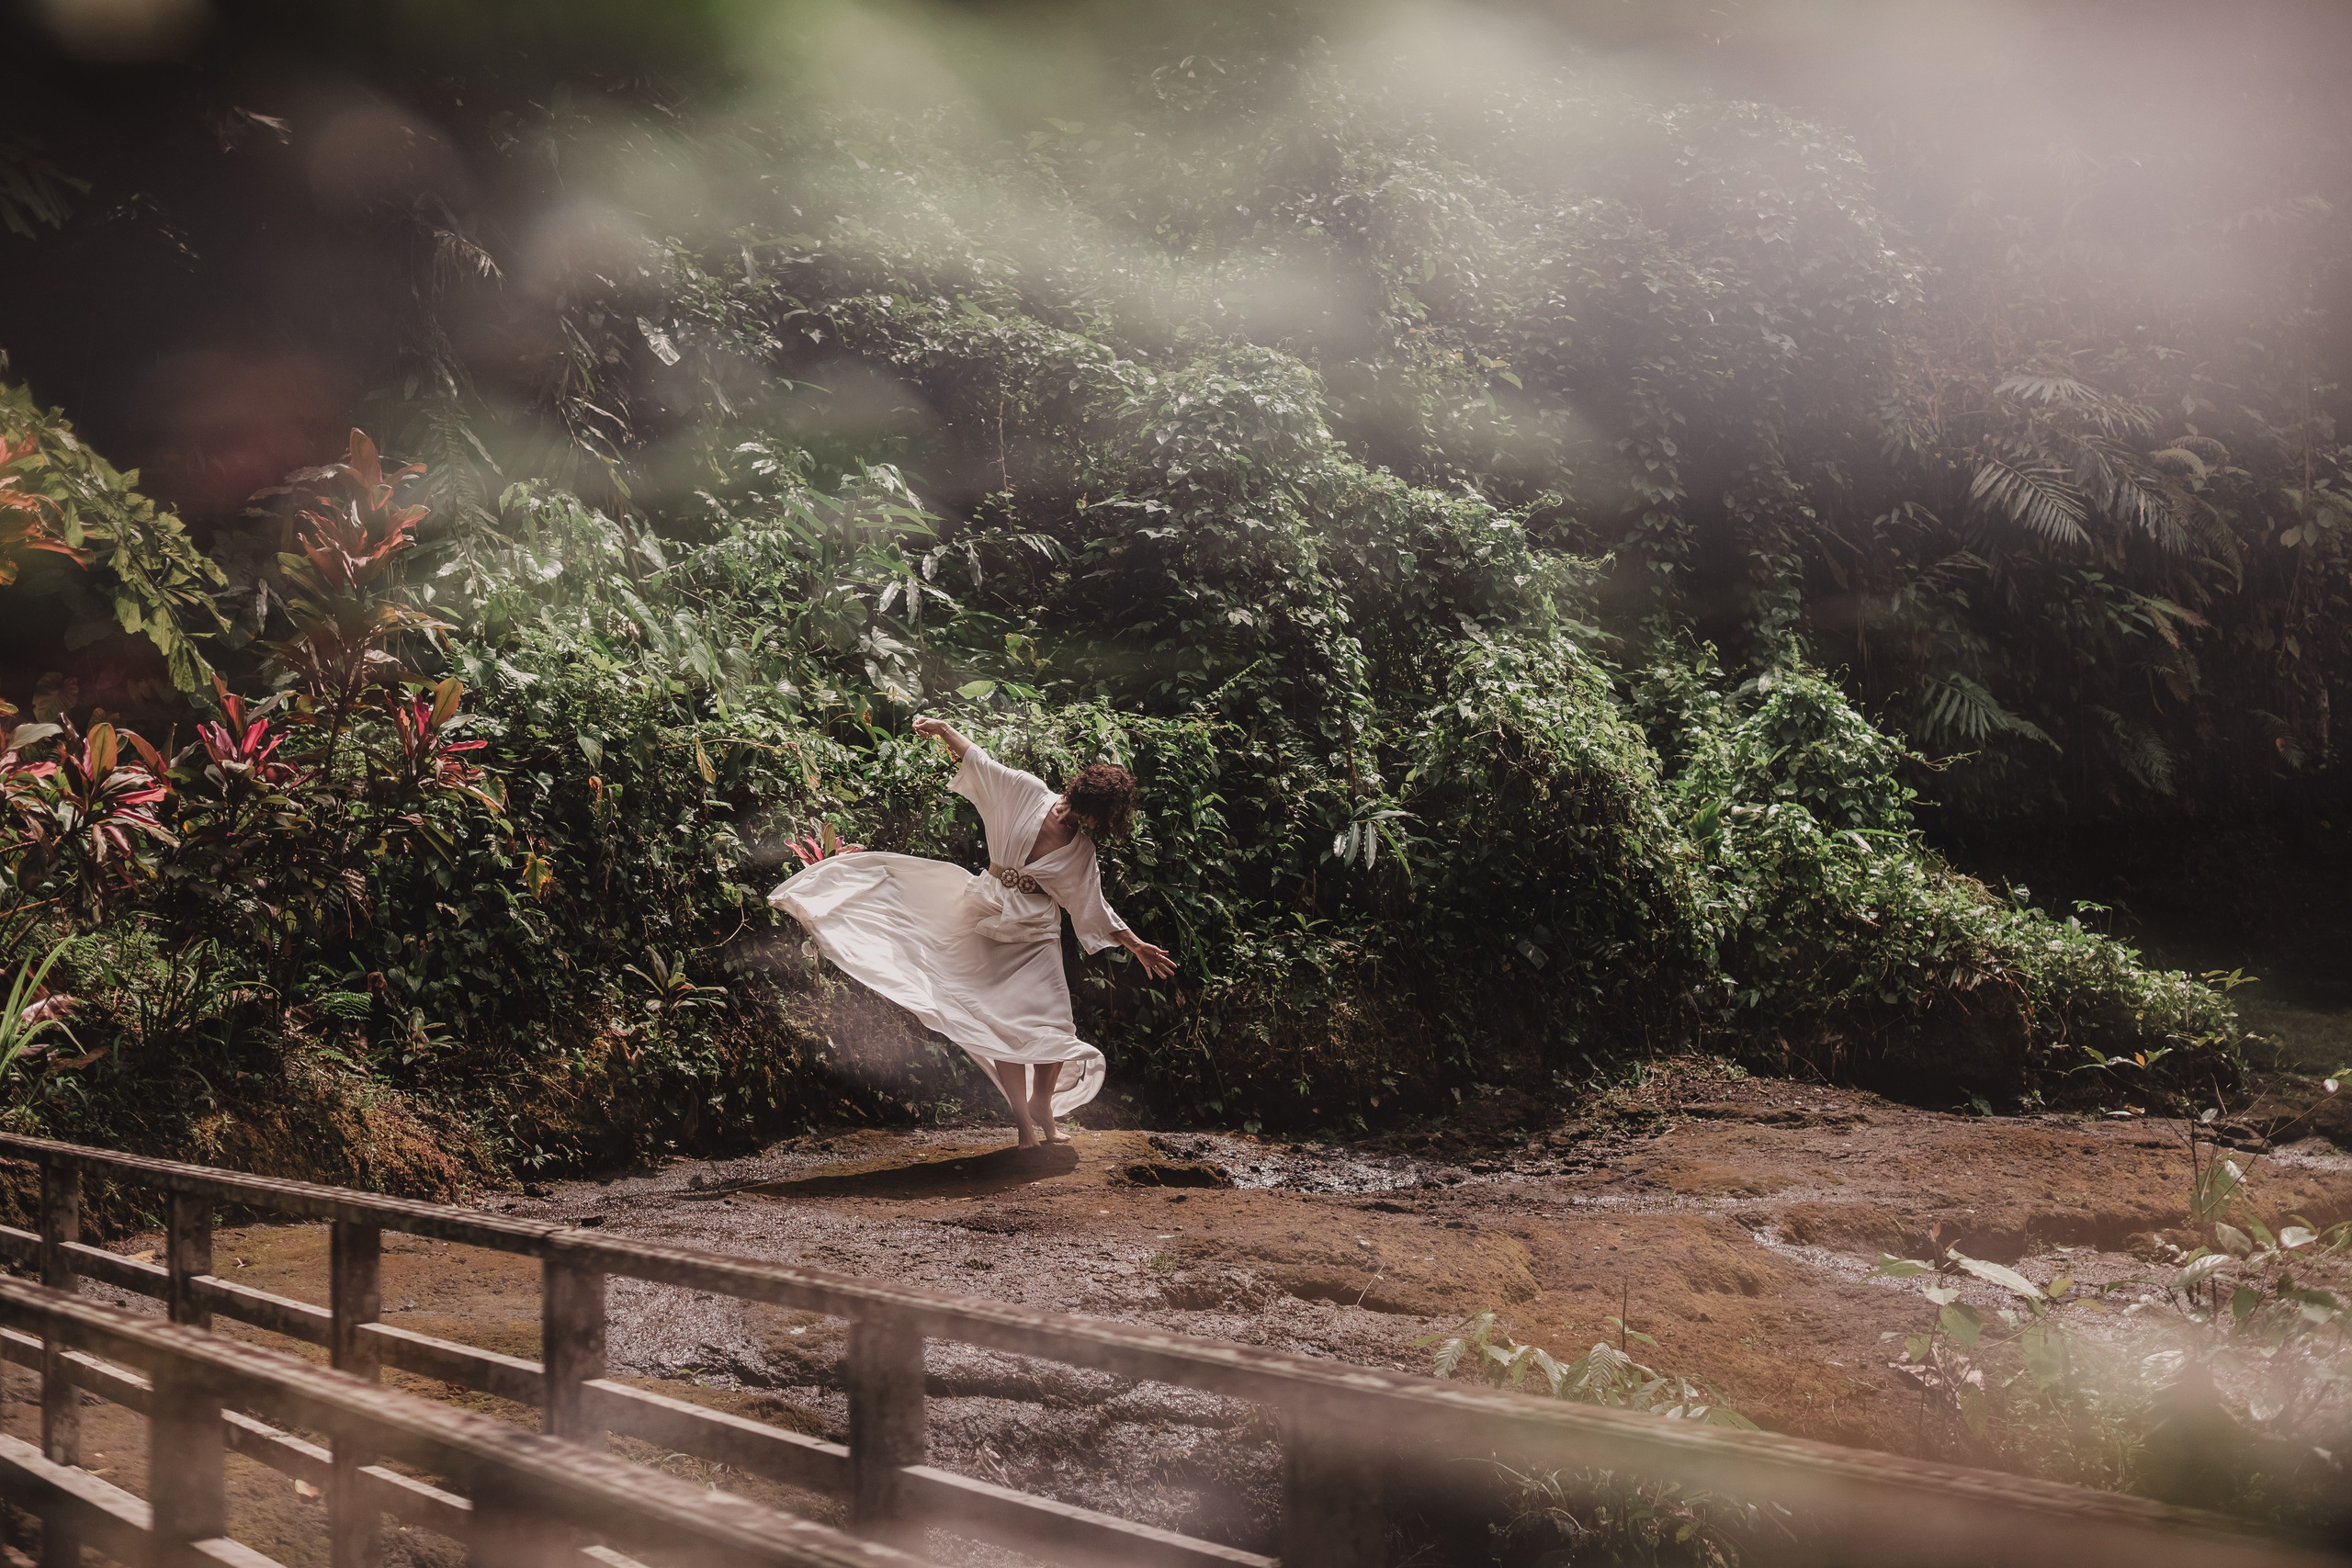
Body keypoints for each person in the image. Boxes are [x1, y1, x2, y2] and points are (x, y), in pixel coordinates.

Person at [768, 716, 1174, 1147]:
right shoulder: (1028, 791)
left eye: (1100, 820)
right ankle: (1024, 1125)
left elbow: (1091, 903)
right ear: (1084, 797)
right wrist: (944, 730)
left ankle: (1042, 1105)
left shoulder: (1082, 849)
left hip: (1037, 933)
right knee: (999, 1024)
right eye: (1095, 815)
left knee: (1055, 1024)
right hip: (987, 915)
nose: (1092, 824)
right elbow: (981, 762)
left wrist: (1136, 945)